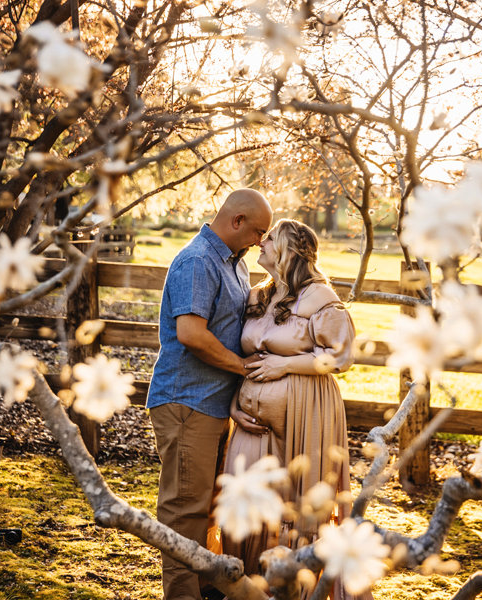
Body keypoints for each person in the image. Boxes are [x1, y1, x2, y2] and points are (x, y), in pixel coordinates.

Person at [221, 219, 371, 600]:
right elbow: (247, 356)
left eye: (270, 238)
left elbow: (340, 357)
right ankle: (249, 586)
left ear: (289, 250)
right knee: (244, 494)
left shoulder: (320, 297)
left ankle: (297, 590)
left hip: (307, 414)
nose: (261, 242)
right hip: (251, 419)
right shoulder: (259, 295)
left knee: (297, 503)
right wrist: (236, 401)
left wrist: (285, 365)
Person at [146, 188, 272, 600]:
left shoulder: (235, 264)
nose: (261, 242)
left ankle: (204, 586)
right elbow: (191, 334)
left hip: (214, 405)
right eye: (258, 232)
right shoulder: (198, 261)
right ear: (237, 221)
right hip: (187, 402)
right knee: (185, 510)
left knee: (209, 506)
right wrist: (244, 367)